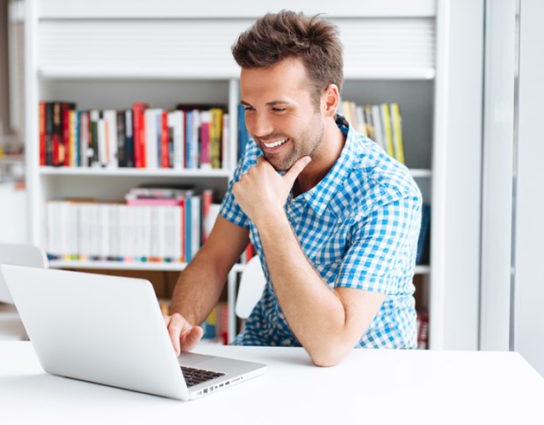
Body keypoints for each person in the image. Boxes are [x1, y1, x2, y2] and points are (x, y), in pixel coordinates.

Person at [166, 10, 422, 366]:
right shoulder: (259, 161)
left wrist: (270, 215)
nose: (259, 128)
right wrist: (181, 320)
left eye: (279, 108)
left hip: (362, 367)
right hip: (266, 351)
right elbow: (214, 259)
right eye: (250, 108)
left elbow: (331, 347)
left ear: (329, 101)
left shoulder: (387, 193)